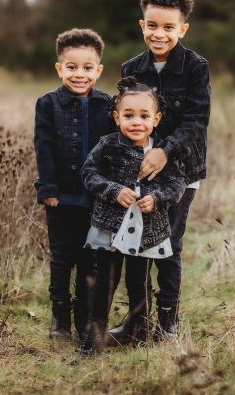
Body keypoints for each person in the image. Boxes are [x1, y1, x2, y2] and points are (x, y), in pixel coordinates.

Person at [113, 0, 211, 341]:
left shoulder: (195, 67)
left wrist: (164, 150)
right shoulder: (131, 67)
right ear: (143, 25)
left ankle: (168, 322)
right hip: (139, 170)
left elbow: (196, 120)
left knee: (168, 243)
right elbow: (125, 116)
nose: (159, 33)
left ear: (182, 29)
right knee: (135, 242)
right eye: (152, 25)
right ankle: (137, 321)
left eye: (169, 27)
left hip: (182, 170)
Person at [78, 76, 188, 354]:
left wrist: (158, 198)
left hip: (146, 231)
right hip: (110, 228)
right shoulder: (108, 145)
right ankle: (94, 339)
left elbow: (177, 182)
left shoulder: (161, 152)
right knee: (105, 283)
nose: (136, 122)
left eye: (144, 116)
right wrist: (113, 190)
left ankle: (139, 336)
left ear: (157, 118)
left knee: (139, 283)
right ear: (116, 117)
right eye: (128, 115)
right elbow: (89, 173)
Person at [34, 28, 115, 341]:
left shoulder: (106, 105)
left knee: (89, 261)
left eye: (87, 68)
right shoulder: (48, 104)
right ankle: (60, 320)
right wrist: (48, 189)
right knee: (62, 260)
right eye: (71, 67)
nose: (79, 74)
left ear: (98, 70)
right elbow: (43, 147)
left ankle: (84, 321)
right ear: (59, 68)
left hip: (96, 201)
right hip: (62, 199)